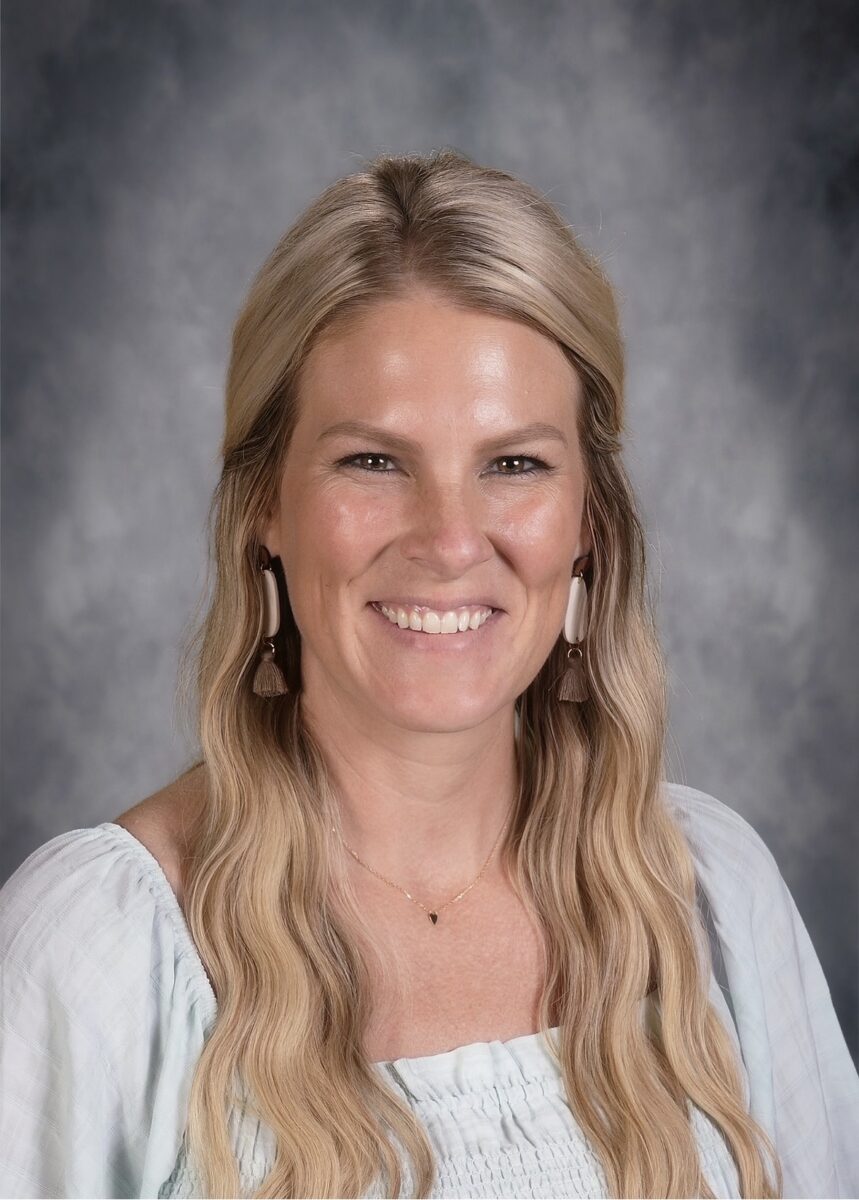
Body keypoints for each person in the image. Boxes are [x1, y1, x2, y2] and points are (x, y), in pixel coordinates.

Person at [1, 148, 857, 1200]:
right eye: (373, 461)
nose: (450, 540)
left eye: (513, 465)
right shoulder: (104, 950)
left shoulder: (713, 899)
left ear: (587, 520)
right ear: (266, 503)